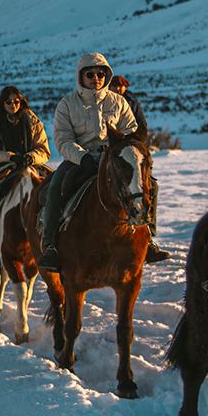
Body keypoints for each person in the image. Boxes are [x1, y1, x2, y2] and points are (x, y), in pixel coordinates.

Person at [36, 53, 138, 272]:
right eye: (90, 74)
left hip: (112, 159)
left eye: (100, 74)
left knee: (147, 185)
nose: (96, 78)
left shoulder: (118, 102)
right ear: (81, 76)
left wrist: (117, 150)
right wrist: (82, 157)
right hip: (79, 160)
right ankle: (51, 245)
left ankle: (147, 236)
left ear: (107, 75)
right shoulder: (68, 104)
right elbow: (63, 140)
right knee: (55, 188)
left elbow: (131, 130)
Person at [0, 86, 51, 253]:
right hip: (3, 163)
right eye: (9, 102)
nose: (13, 105)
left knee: (52, 184)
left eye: (16, 101)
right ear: (2, 103)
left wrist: (32, 157)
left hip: (30, 162)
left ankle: (52, 232)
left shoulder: (33, 120)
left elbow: (43, 148)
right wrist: (8, 156)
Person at [109, 75, 171, 263]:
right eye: (114, 85)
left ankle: (147, 237)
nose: (117, 89)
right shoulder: (103, 100)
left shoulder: (131, 101)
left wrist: (134, 145)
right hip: (109, 149)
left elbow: (141, 126)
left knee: (150, 186)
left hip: (129, 149)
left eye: (120, 86)